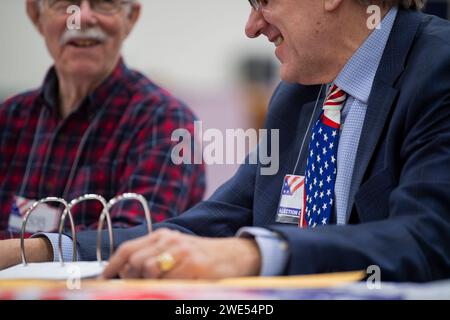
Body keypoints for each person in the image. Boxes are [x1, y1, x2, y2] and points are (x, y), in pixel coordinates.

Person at [1, 0, 449, 282]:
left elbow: (428, 237)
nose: (252, 27)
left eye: (262, 1)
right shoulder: (297, 95)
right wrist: (45, 249)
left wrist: (251, 254)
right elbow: (207, 225)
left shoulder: (438, 67)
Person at [0, 0, 205, 239]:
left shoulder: (166, 122)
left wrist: (18, 250)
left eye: (103, 3)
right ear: (36, 16)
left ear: (131, 18)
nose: (83, 17)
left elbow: (133, 239)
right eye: (66, 3)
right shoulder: (9, 119)